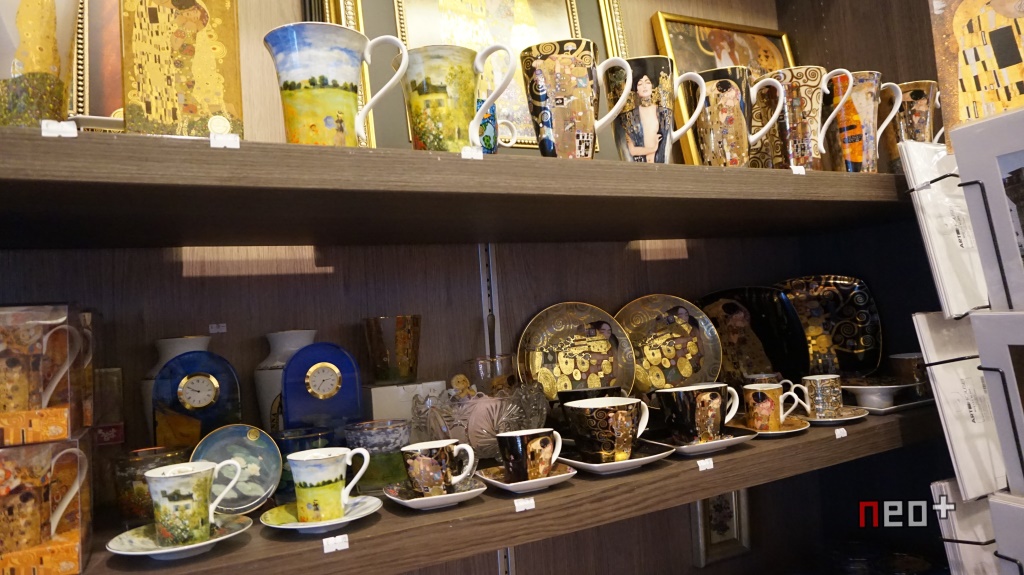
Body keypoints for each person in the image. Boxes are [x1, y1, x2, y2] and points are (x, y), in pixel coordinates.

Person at [616, 72, 674, 163]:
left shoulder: (663, 113)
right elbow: (632, 150)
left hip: (660, 164)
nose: (644, 86)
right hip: (638, 166)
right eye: (640, 84)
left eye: (647, 82)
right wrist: (653, 148)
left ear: (652, 86)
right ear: (636, 90)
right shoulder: (630, 116)